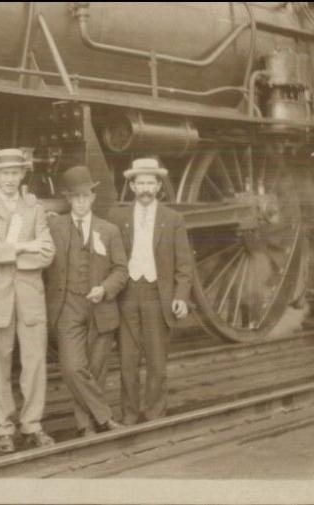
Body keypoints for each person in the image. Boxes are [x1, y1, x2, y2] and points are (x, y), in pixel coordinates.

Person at [0, 148, 56, 453]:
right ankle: (4, 428)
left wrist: (5, 250)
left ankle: (32, 424)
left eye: (14, 172)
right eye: (3, 173)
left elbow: (46, 252)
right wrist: (22, 247)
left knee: (34, 363)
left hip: (29, 295)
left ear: (22, 174)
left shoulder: (35, 207)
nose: (9, 179)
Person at [108, 157, 193, 424]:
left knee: (156, 360)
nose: (145, 188)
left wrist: (180, 297)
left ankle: (155, 414)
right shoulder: (118, 216)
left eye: (150, 183)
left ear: (158, 186)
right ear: (132, 186)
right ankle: (129, 414)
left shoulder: (173, 218)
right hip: (127, 294)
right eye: (140, 182)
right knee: (127, 361)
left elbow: (184, 264)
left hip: (158, 295)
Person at [44, 165, 128, 437]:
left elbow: (121, 270)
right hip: (67, 307)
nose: (80, 202)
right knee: (72, 367)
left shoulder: (109, 230)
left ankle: (85, 425)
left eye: (85, 196)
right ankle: (104, 417)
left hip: (101, 308)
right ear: (68, 199)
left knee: (96, 370)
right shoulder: (54, 225)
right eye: (75, 197)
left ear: (92, 197)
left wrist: (104, 289)